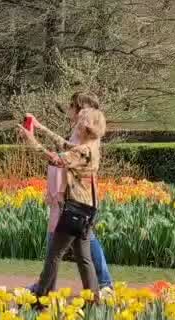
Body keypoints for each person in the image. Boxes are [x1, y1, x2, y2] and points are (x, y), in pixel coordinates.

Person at [28, 92, 114, 298]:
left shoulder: (84, 151)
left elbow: (55, 158)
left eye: (79, 122)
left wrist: (30, 140)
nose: (75, 123)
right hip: (84, 208)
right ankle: (94, 299)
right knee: (84, 258)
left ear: (85, 127)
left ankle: (41, 296)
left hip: (75, 207)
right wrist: (41, 129)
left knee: (54, 254)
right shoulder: (90, 146)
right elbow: (66, 146)